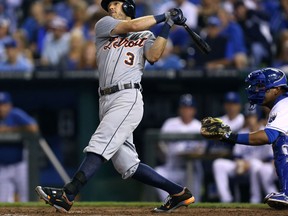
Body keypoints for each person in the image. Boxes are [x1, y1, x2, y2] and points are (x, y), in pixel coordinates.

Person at [35, 0, 195, 213]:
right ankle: (178, 193)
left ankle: (68, 193)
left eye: (116, 3)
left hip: (128, 96)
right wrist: (164, 15)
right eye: (109, 4)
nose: (111, 7)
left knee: (100, 142)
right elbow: (132, 26)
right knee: (127, 165)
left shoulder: (146, 36)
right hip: (106, 99)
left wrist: (167, 25)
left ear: (128, 7)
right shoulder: (104, 24)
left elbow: (154, 55)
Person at [201, 67, 288, 209]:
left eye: (262, 86)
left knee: (281, 142)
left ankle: (287, 193)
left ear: (276, 89)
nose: (257, 90)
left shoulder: (284, 104)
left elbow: (268, 136)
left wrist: (228, 136)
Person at [213, 105, 277, 203]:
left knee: (256, 164)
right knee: (218, 164)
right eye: (247, 117)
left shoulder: (265, 132)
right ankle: (226, 199)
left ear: (258, 117)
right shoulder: (243, 132)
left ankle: (255, 199)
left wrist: (249, 163)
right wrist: (241, 163)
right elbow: (237, 156)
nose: (250, 120)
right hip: (243, 167)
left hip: (261, 167)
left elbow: (270, 158)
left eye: (252, 116)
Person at [154, 94, 206, 202]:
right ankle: (171, 205)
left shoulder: (198, 126)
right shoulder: (170, 123)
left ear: (194, 110)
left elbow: (203, 149)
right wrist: (167, 153)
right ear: (179, 109)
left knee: (194, 202)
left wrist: (194, 152)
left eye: (189, 108)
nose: (186, 111)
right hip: (172, 168)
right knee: (158, 172)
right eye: (184, 108)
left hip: (192, 170)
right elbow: (160, 145)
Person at [0, 92, 39, 202]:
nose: (1, 108)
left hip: (19, 165)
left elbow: (34, 128)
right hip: (2, 167)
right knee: (3, 201)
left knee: (27, 197)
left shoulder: (15, 114)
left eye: (3, 104)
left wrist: (8, 130)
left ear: (9, 105)